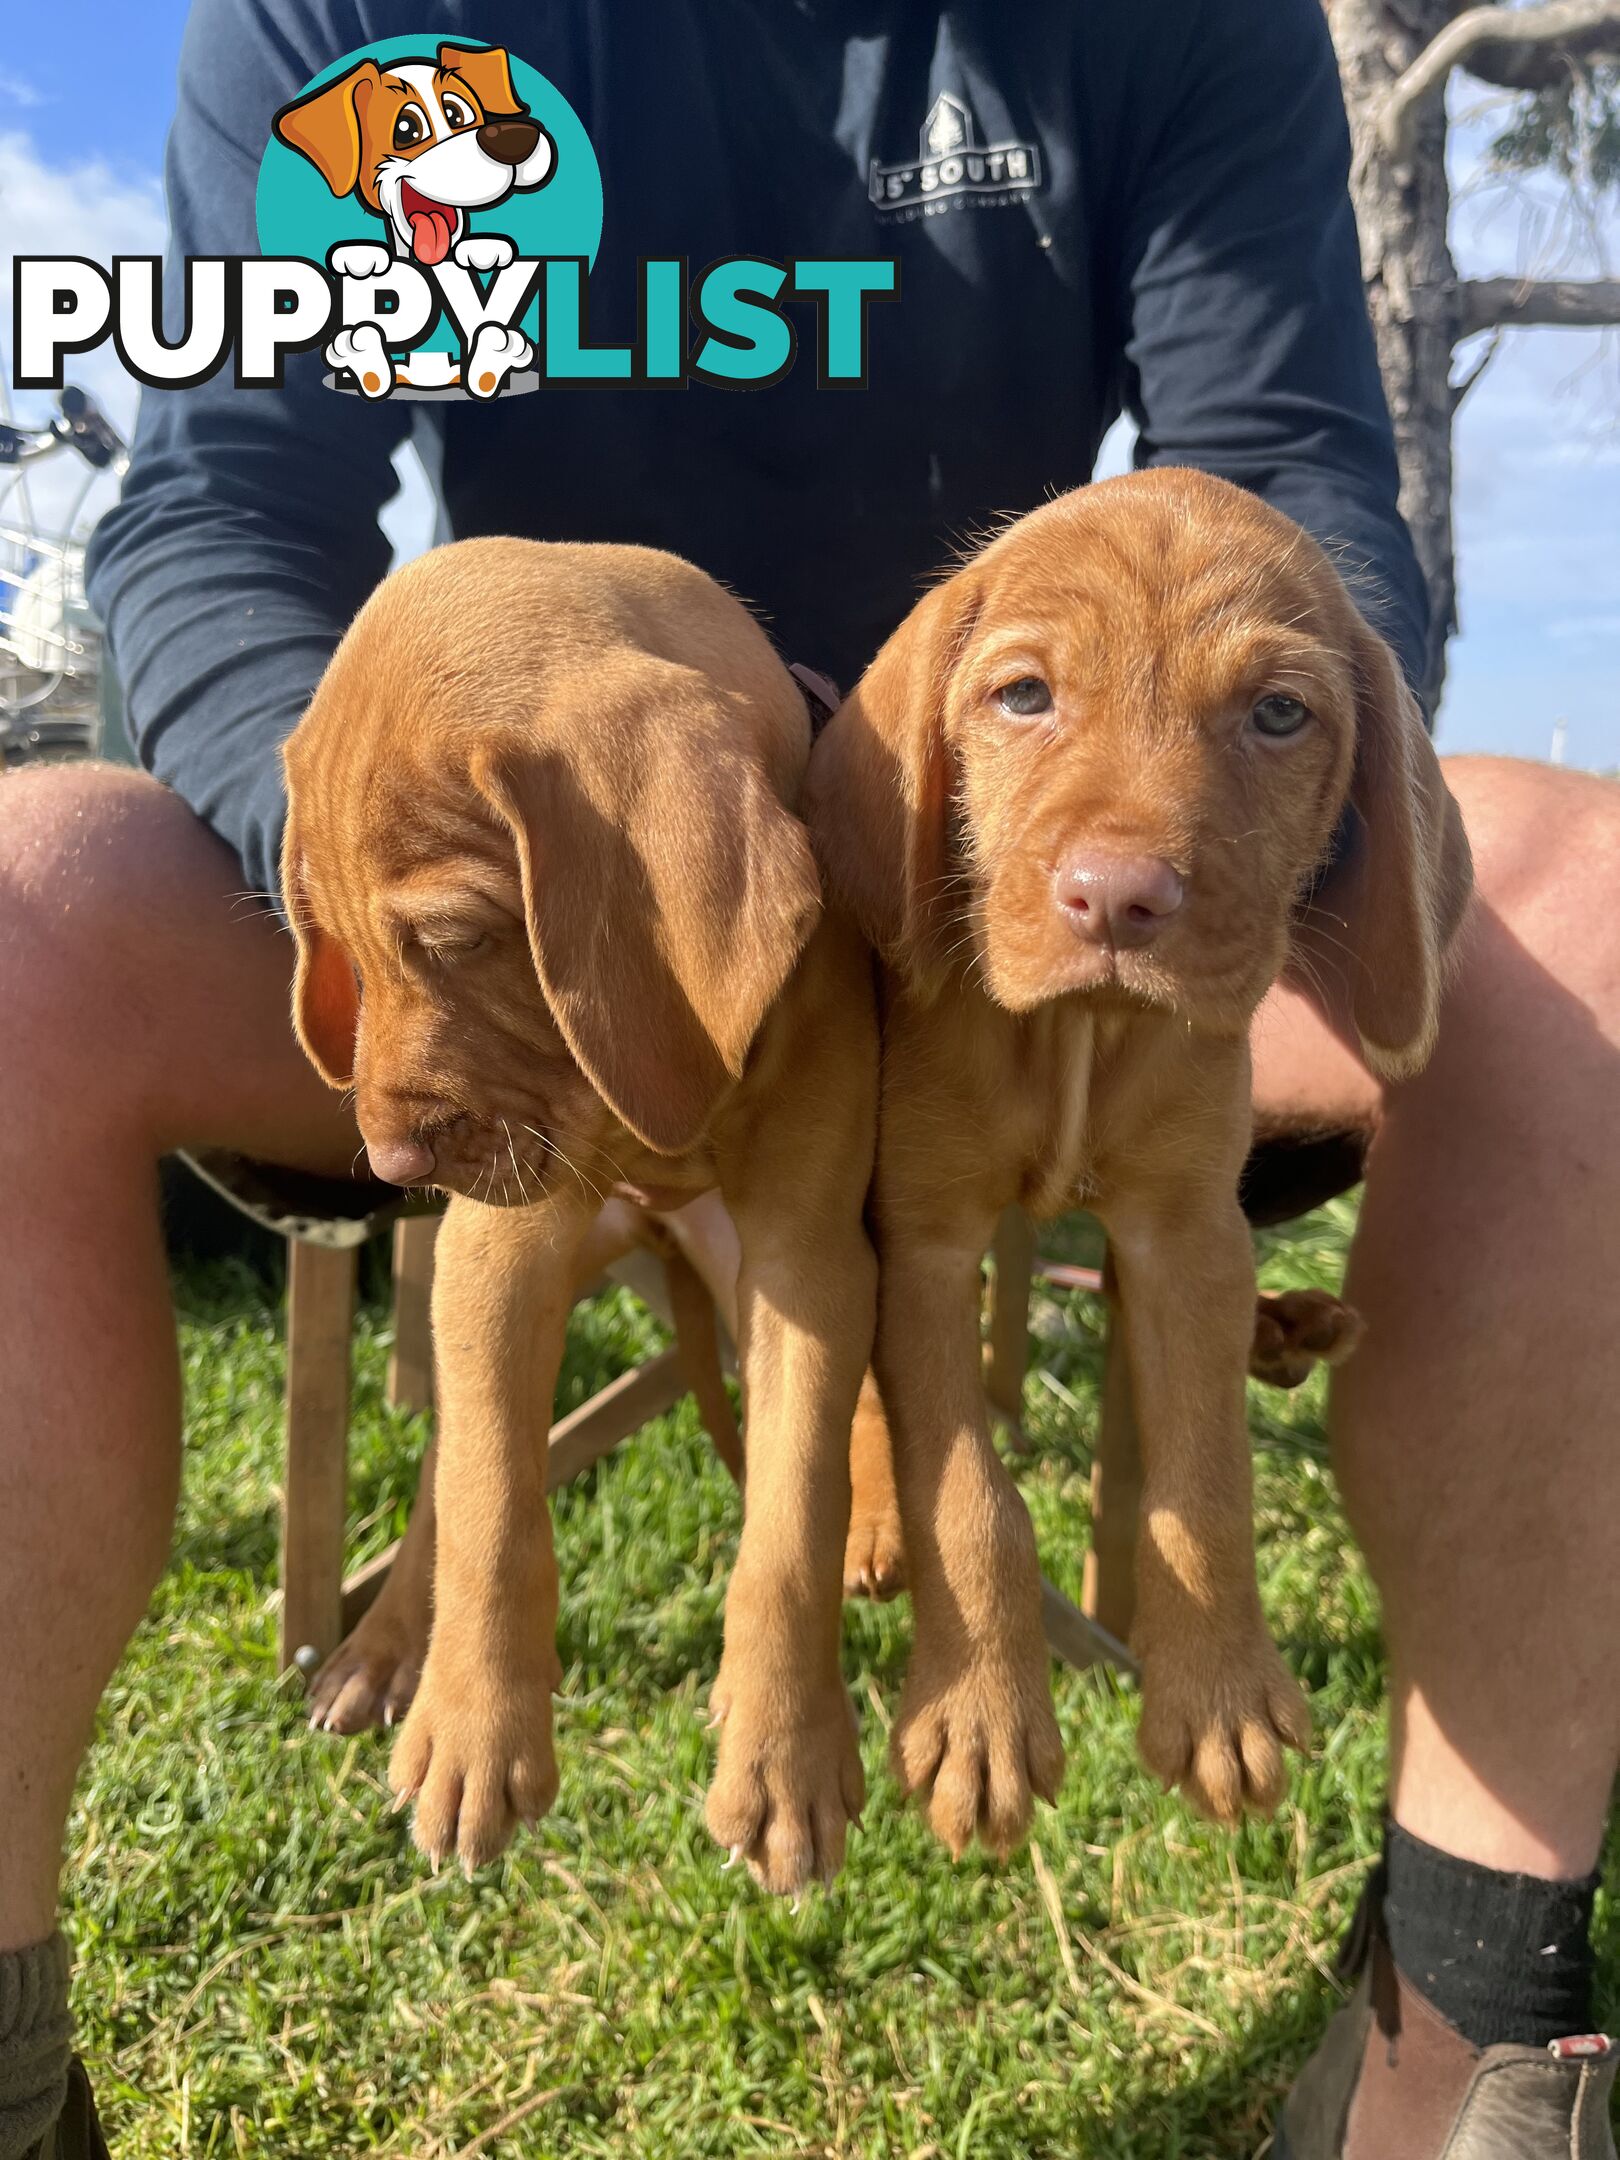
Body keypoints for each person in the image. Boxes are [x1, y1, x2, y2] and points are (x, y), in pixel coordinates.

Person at [3, 2, 1617, 2155]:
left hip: (1008, 902)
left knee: (1587, 904)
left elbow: (1298, 468)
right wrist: (427, 905)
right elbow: (219, 500)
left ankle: (1469, 2030)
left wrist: (1162, 845)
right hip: (554, 895)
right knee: (20, 917)